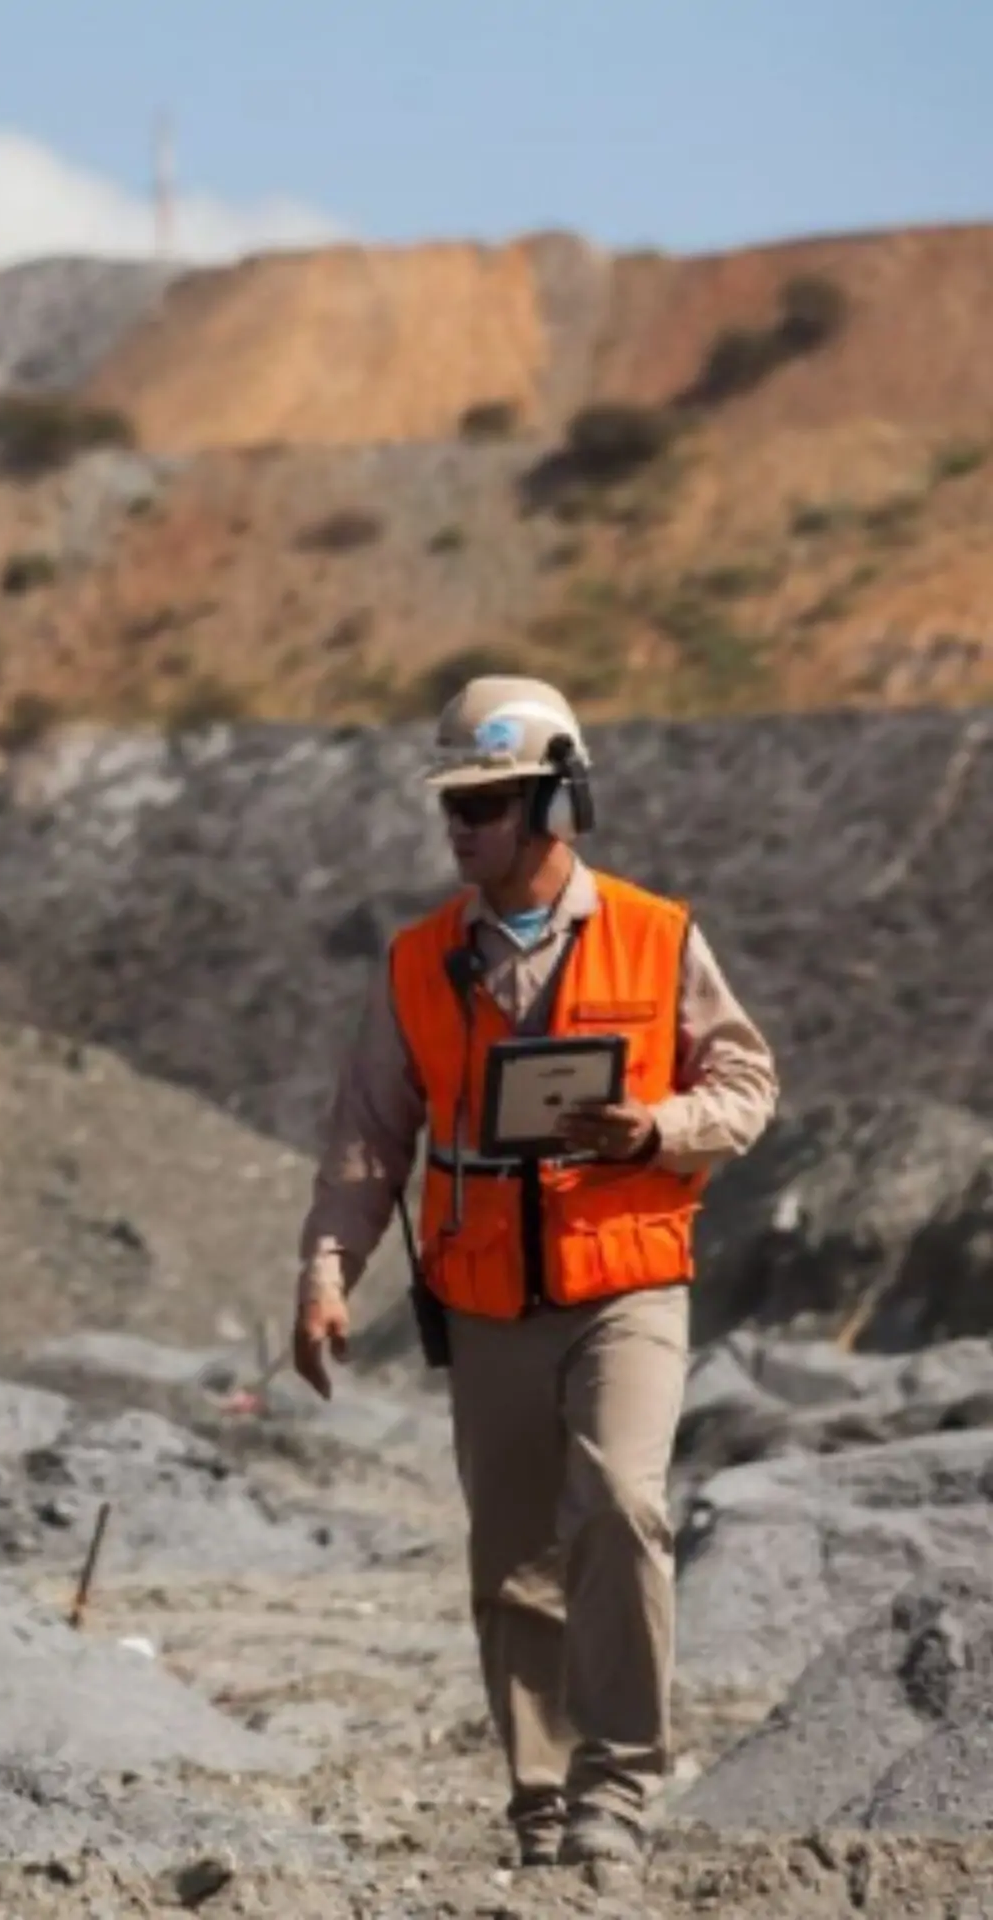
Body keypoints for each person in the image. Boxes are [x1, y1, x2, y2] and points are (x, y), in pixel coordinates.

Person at [290, 674, 779, 1873]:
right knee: (510, 1558)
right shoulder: (415, 965)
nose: (462, 829)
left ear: (559, 803)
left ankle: (619, 1787)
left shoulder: (658, 935)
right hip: (485, 1296)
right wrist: (325, 1267)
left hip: (624, 1283)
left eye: (489, 804)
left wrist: (653, 1129)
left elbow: (746, 1087)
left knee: (619, 1506)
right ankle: (542, 1804)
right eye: (452, 806)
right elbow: (368, 1135)